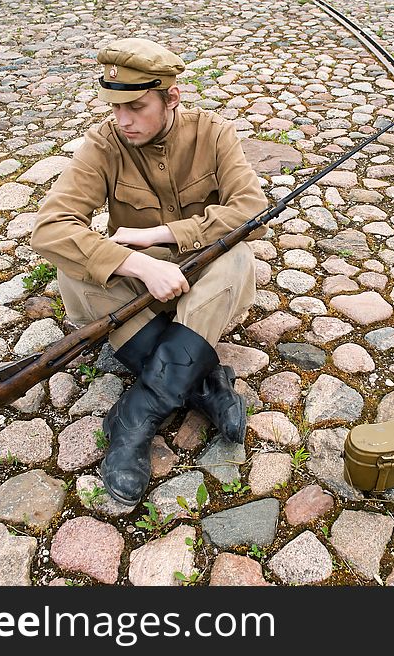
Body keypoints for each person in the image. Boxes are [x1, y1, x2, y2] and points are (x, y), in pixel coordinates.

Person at [31, 37, 268, 506]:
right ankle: (203, 386)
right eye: (115, 106)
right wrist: (135, 261)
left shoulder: (213, 133)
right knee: (74, 268)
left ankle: (135, 415)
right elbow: (50, 228)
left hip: (200, 280)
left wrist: (159, 234)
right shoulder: (103, 143)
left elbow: (250, 210)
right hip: (141, 286)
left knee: (238, 256)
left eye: (137, 106)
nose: (123, 119)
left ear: (171, 98)